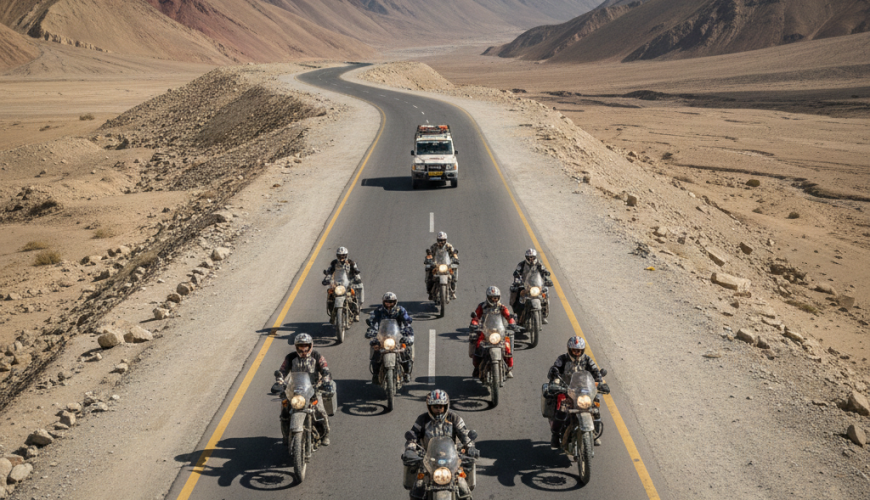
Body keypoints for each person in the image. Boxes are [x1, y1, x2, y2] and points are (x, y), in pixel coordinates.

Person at [403, 390, 478, 500]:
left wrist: (470, 446)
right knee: (417, 488)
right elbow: (413, 436)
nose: (438, 409)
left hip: (452, 458)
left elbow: (464, 433)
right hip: (427, 460)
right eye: (435, 407)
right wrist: (410, 449)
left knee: (463, 487)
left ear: (446, 406)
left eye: (441, 406)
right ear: (429, 407)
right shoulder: (422, 419)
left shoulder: (454, 418)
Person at [546, 336, 609, 448]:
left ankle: (594, 434)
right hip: (567, 390)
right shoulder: (562, 359)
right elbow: (554, 370)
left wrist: (601, 383)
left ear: (582, 350)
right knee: (561, 410)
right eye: (574, 350)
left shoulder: (587, 359)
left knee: (595, 408)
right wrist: (554, 378)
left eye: (578, 350)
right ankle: (555, 435)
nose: (576, 352)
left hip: (584, 390)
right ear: (569, 349)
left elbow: (596, 373)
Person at [275, 333, 333, 446]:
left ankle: (325, 434)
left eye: (306, 346)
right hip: (295, 390)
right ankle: (286, 435)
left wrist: (326, 381)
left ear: (310, 345)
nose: (303, 349)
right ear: (296, 347)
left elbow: (325, 369)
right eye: (300, 346)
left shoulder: (317, 356)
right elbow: (282, 371)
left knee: (320, 411)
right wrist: (279, 382)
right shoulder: (290, 357)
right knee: (285, 411)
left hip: (313, 389)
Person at [366, 292, 414, 383]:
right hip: (382, 336)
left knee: (406, 350)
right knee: (375, 351)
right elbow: (373, 322)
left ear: (395, 302)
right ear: (383, 302)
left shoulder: (401, 310)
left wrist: (408, 335)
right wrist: (371, 332)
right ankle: (375, 374)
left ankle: (407, 372)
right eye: (387, 301)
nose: (389, 303)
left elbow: (407, 323)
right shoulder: (378, 311)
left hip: (398, 336)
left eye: (391, 301)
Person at [469, 286, 515, 379]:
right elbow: (476, 317)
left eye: (496, 298)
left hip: (499, 331)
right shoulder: (482, 306)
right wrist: (474, 324)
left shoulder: (502, 307)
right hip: (485, 331)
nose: (494, 300)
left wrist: (512, 323)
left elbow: (509, 316)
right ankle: (477, 368)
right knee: (478, 347)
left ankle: (509, 368)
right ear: (488, 297)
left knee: (507, 348)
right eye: (492, 298)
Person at [510, 248, 552, 324]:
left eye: (532, 257)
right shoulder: (521, 265)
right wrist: (517, 282)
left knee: (545, 294)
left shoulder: (539, 264)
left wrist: (548, 279)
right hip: (525, 285)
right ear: (526, 257)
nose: (531, 259)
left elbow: (545, 272)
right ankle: (517, 313)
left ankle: (543, 315)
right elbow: (516, 273)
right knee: (516, 291)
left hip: (537, 285)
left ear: (535, 257)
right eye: (529, 257)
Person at [322, 246, 362, 322]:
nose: (341, 257)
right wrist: (327, 278)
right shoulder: (334, 263)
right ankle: (332, 314)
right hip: (336, 284)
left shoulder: (350, 262)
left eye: (343, 255)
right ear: (337, 256)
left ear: (346, 255)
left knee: (353, 295)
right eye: (340, 255)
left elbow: (356, 271)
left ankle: (356, 313)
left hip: (347, 283)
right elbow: (329, 271)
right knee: (330, 295)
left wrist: (356, 277)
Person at [425, 231, 459, 299]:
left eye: (443, 240)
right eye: (440, 240)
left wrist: (455, 258)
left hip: (447, 265)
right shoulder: (434, 246)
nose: (441, 242)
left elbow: (454, 254)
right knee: (429, 276)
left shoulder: (449, 246)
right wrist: (428, 259)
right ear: (437, 240)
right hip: (436, 265)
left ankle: (453, 291)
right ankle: (430, 292)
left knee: (453, 275)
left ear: (445, 240)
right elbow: (430, 255)